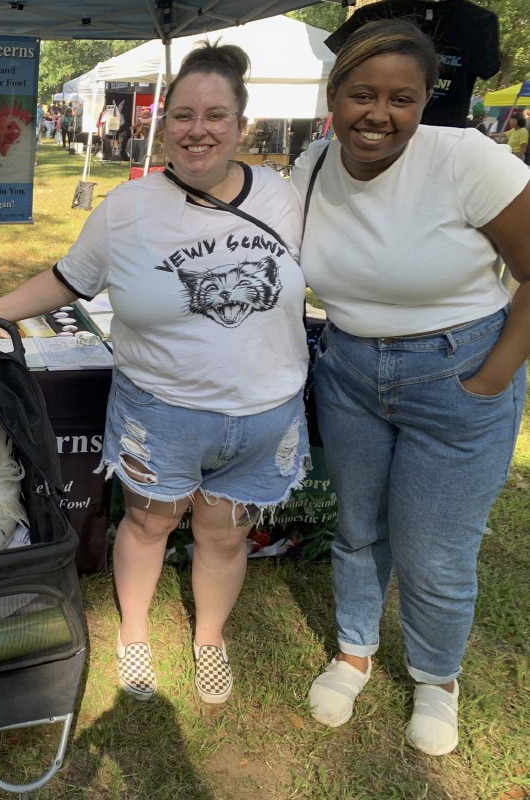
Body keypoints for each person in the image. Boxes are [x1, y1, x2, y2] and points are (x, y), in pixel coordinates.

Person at [0, 42, 309, 706]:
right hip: (162, 413)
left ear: (241, 124)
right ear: (163, 120)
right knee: (149, 526)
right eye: (182, 115)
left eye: (214, 115)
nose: (196, 129)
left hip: (264, 417)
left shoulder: (285, 196)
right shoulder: (128, 209)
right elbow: (69, 279)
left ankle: (209, 640)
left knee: (224, 532)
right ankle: (136, 636)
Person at [291, 19, 529, 757]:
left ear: (429, 98)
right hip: (351, 371)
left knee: (435, 550)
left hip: (458, 372)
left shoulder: (468, 161)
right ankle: (355, 652)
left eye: (404, 98)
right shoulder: (311, 165)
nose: (380, 115)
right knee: (359, 529)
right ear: (333, 96)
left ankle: (435, 678)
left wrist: (490, 379)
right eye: (362, 94)